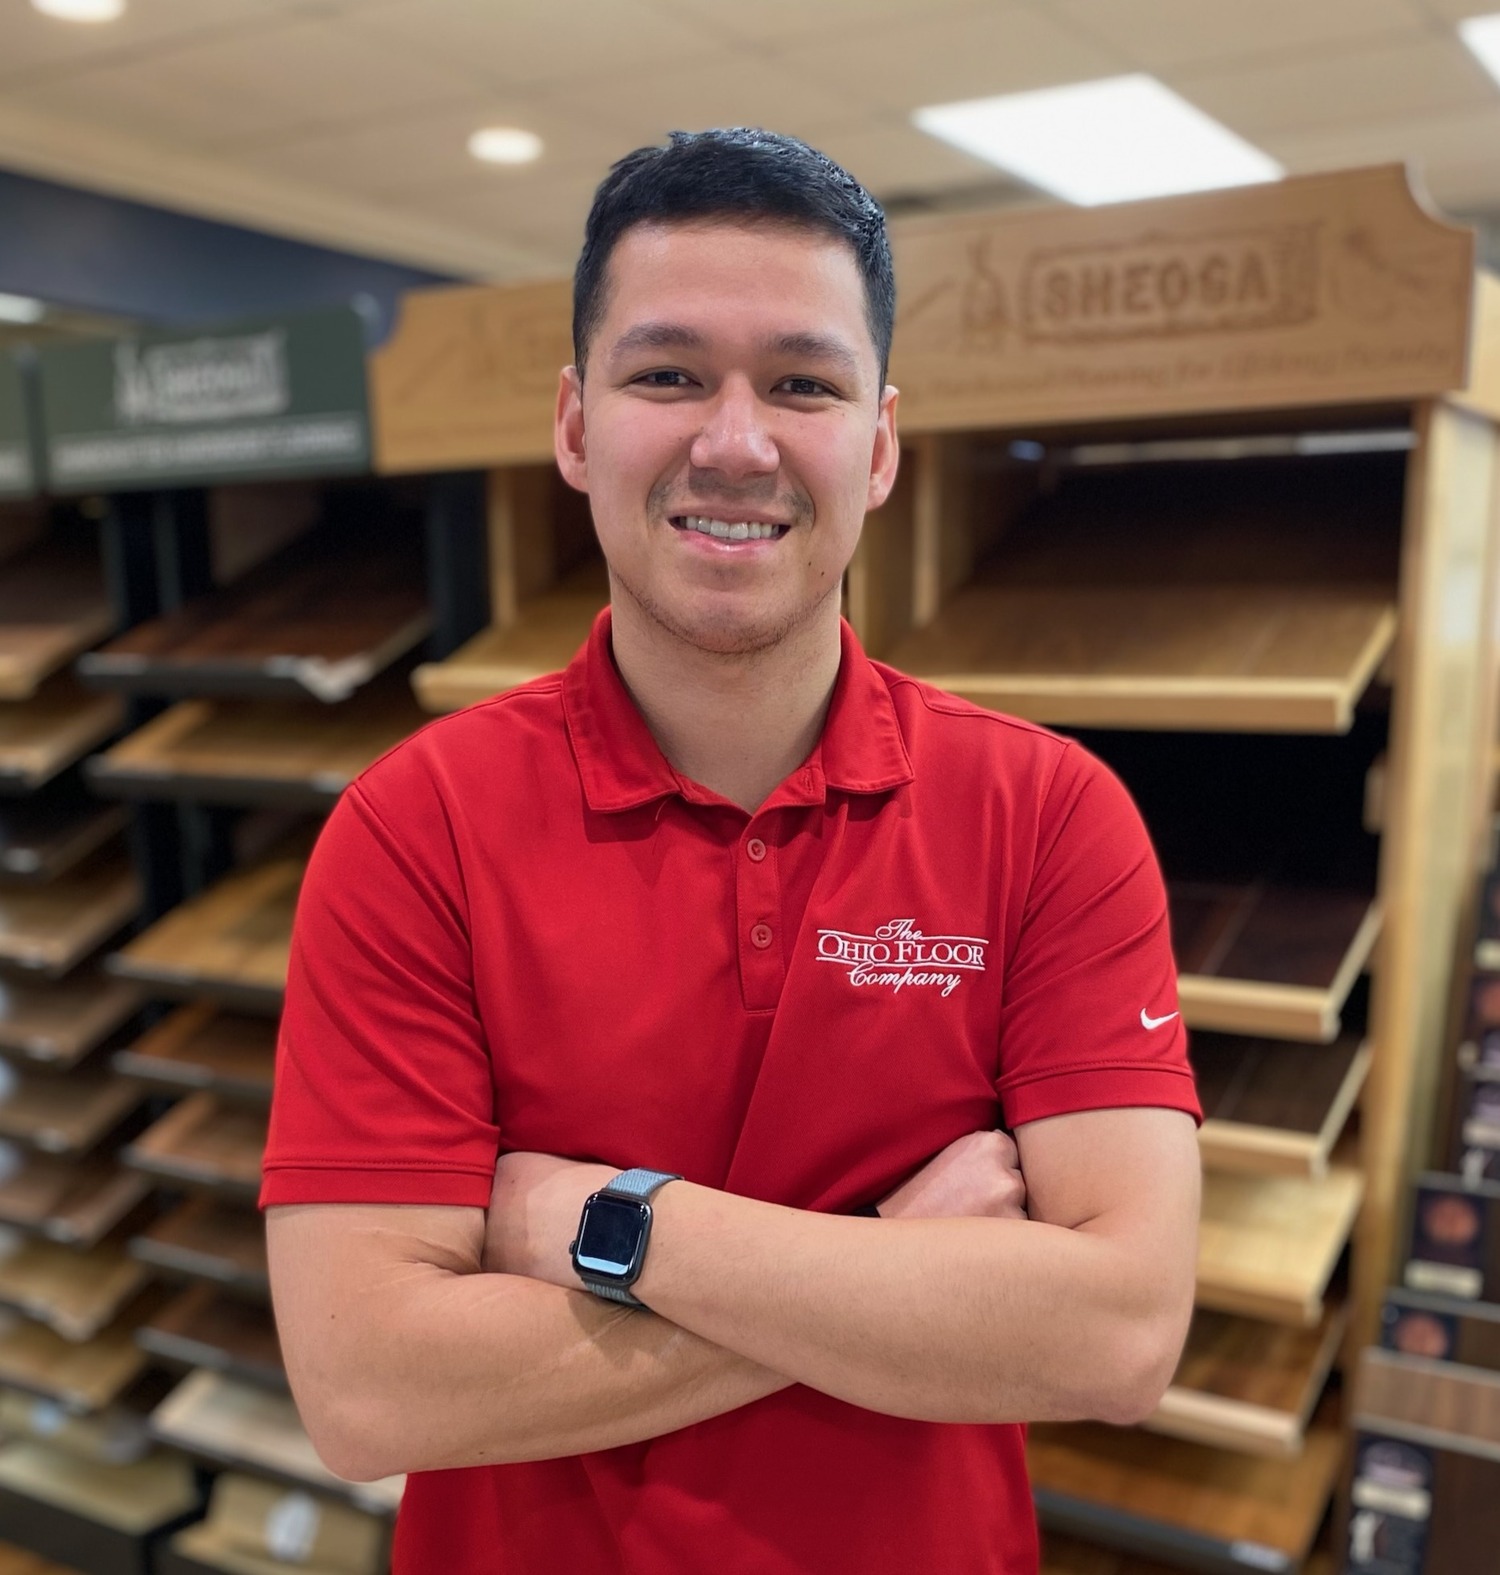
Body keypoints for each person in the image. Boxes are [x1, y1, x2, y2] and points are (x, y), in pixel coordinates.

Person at [262, 128, 1202, 1575]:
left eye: (804, 384)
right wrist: (900, 1270)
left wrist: (602, 1224)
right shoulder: (414, 830)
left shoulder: (1051, 816)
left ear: (877, 445)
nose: (737, 442)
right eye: (670, 374)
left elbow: (1118, 1338)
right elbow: (369, 1387)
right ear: (577, 426)